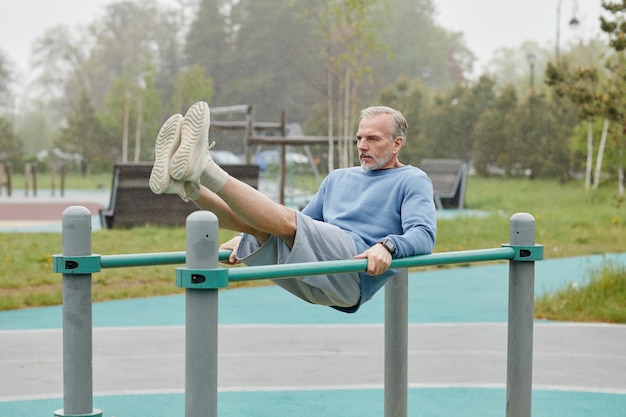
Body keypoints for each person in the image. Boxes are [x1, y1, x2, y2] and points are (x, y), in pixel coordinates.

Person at [149, 101, 436, 313]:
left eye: (372, 138)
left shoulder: (411, 179)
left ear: (397, 144)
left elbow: (423, 235)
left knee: (286, 223)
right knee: (262, 230)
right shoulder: (338, 178)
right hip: (318, 278)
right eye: (359, 138)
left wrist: (387, 246)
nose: (362, 145)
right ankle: (187, 184)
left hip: (354, 271)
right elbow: (294, 226)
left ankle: (205, 166)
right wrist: (248, 234)